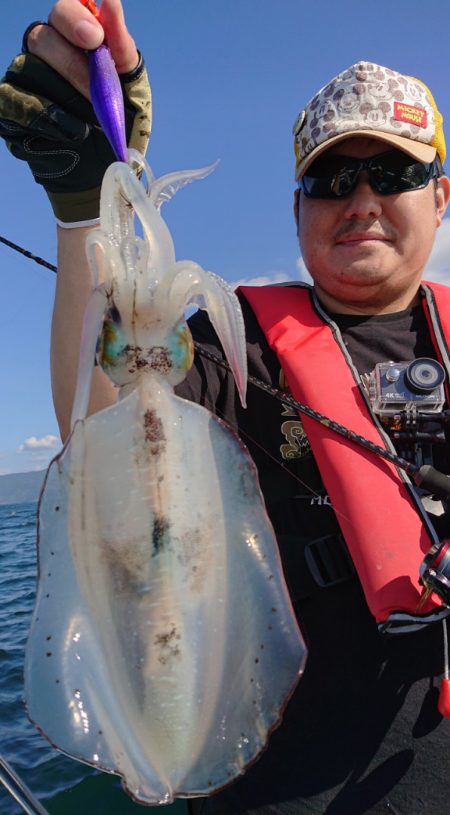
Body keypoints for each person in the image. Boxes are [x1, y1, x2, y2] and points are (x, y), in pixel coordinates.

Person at [2, 2, 450, 813]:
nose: (360, 198)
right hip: (281, 786)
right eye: (329, 178)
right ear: (297, 206)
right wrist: (82, 205)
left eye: (391, 174)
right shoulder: (235, 344)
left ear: (441, 197)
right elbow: (104, 427)